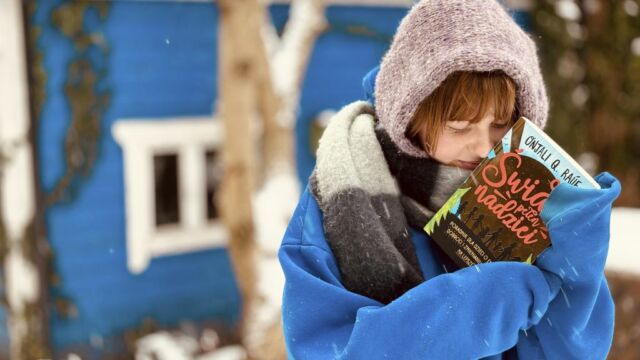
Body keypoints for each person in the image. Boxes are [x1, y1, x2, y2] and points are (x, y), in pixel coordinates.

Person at [278, 0, 621, 358]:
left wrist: (577, 262)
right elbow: (326, 350)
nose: (482, 144)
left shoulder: (528, 196)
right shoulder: (339, 196)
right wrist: (477, 307)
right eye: (459, 126)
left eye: (500, 124)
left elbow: (569, 352)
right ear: (412, 117)